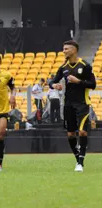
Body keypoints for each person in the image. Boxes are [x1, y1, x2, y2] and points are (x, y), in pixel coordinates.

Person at [49, 40, 96, 172]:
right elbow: (52, 81)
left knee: (82, 131)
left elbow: (93, 84)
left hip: (82, 103)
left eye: (66, 49)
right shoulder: (63, 67)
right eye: (63, 49)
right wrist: (54, 85)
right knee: (70, 134)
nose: (63, 51)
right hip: (68, 104)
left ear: (74, 50)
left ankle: (80, 162)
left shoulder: (85, 66)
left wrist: (78, 81)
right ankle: (78, 159)